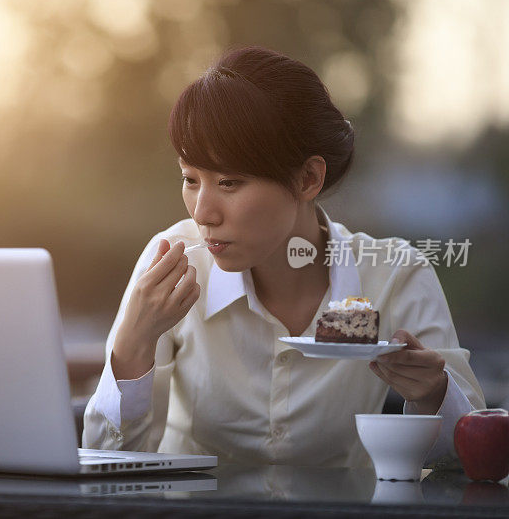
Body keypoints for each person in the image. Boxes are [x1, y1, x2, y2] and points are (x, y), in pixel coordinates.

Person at [82, 45, 485, 468]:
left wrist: (433, 393)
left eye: (230, 182)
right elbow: (106, 465)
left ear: (308, 178)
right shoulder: (173, 265)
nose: (203, 212)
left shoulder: (394, 275)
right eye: (190, 179)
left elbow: (472, 459)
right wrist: (133, 343)